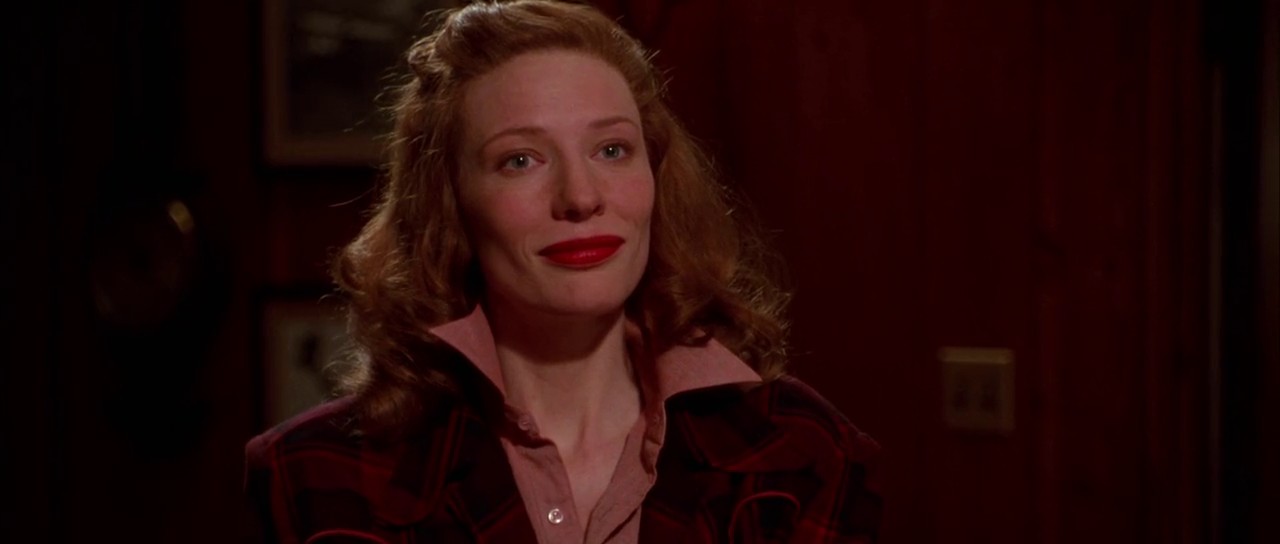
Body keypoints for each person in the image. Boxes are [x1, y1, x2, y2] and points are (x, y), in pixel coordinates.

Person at [244, 1, 882, 542]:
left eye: (612, 150)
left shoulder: (802, 454)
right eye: (520, 160)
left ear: (655, 176)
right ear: (450, 203)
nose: (580, 197)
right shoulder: (313, 478)